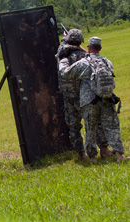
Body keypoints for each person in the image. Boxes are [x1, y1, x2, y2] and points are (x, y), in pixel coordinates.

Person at [59, 37, 129, 162]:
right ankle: (119, 155)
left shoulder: (84, 63)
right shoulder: (107, 62)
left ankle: (92, 158)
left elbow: (65, 73)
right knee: (112, 128)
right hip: (107, 99)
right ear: (100, 48)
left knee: (90, 130)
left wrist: (63, 59)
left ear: (89, 47)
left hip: (89, 101)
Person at [56, 29, 112, 161]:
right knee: (95, 123)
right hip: (83, 96)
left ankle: (81, 153)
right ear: (80, 42)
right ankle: (103, 149)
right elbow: (92, 58)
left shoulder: (62, 55)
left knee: (74, 126)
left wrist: (64, 39)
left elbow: (62, 47)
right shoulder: (83, 56)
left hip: (68, 95)